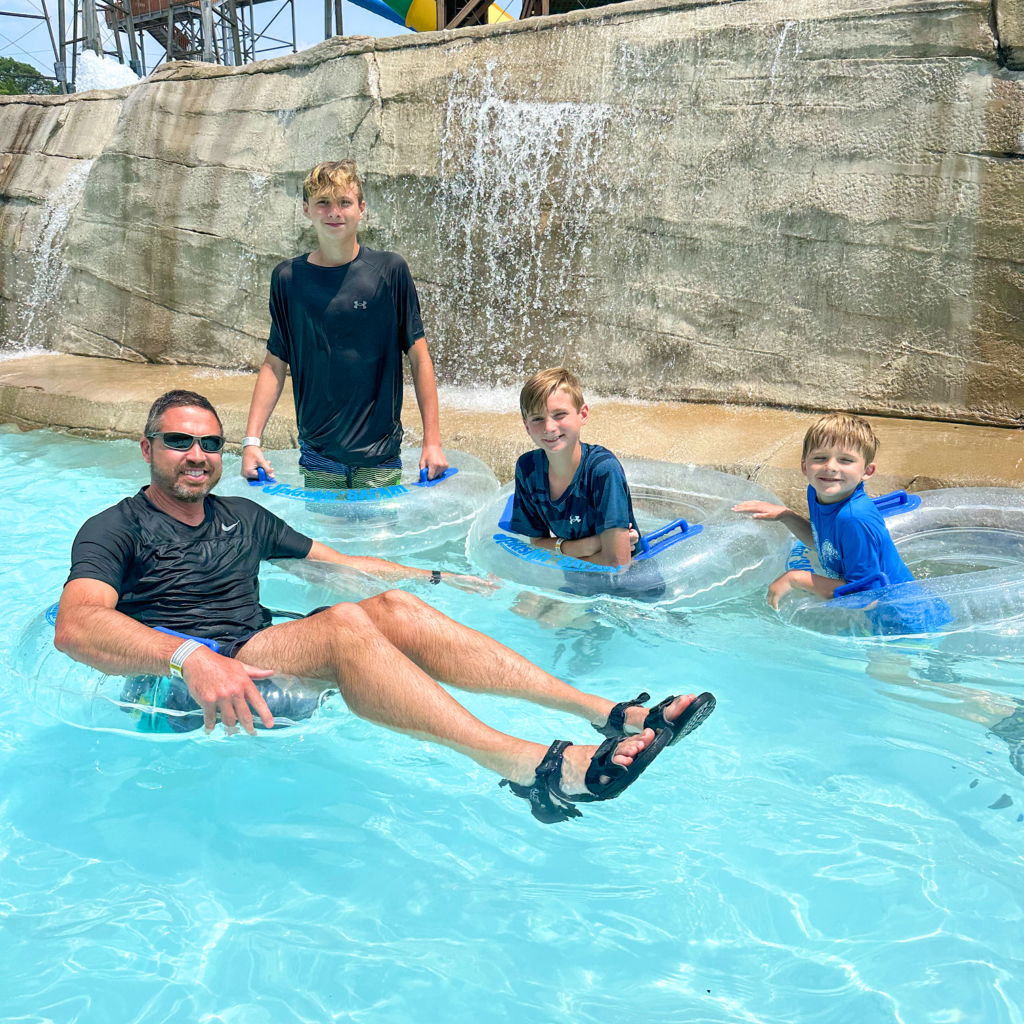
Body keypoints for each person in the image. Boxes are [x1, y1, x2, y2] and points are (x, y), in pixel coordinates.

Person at [55, 389, 716, 823]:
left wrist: (433, 575)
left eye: (210, 445)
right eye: (178, 442)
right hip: (196, 673)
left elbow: (341, 565)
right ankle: (532, 766)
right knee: (345, 624)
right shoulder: (117, 527)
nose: (197, 456)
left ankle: (606, 713)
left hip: (257, 648)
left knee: (392, 606)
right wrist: (188, 660)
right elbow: (78, 625)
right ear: (147, 449)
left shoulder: (241, 516)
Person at [240, 160, 448, 492]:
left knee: (376, 545)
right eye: (323, 202)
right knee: (325, 543)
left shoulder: (389, 270)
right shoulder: (288, 279)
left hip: (379, 455)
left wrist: (432, 442)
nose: (334, 212)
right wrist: (251, 441)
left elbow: (420, 358)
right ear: (307, 210)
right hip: (318, 453)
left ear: (362, 209)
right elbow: (274, 363)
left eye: (345, 202)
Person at [733, 412, 951, 634]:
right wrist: (787, 515)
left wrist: (796, 579)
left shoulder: (855, 519)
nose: (830, 467)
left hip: (902, 624)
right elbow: (826, 547)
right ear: (804, 466)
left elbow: (867, 597)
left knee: (880, 670)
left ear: (867, 471)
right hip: (885, 617)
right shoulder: (817, 493)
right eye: (820, 458)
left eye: (845, 460)